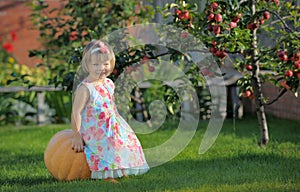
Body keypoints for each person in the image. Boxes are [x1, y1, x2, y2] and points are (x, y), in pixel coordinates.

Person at [71, 40, 149, 182]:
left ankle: (121, 168)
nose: (102, 68)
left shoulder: (108, 83)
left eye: (106, 64)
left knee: (127, 140)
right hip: (94, 128)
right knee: (109, 143)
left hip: (111, 124)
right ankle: (106, 174)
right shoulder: (86, 88)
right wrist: (76, 135)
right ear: (87, 65)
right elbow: (76, 112)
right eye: (96, 65)